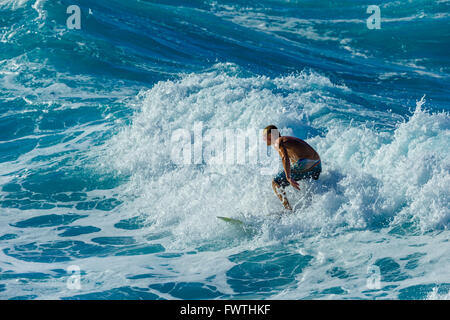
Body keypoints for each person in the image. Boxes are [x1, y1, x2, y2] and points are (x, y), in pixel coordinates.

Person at [263, 125, 321, 210]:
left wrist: (288, 177)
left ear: (270, 136)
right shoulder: (286, 140)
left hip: (306, 163)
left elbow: (284, 157)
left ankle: (288, 210)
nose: (263, 139)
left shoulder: (278, 141)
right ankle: (312, 207)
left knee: (276, 182)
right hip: (317, 165)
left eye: (264, 136)